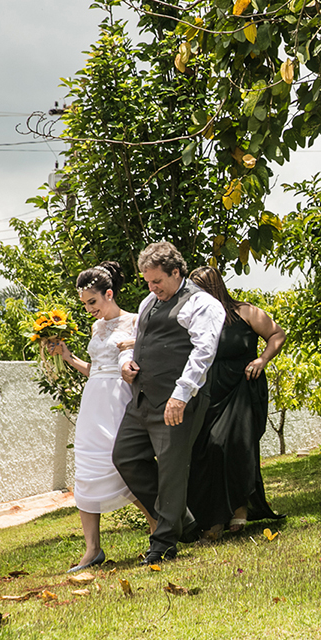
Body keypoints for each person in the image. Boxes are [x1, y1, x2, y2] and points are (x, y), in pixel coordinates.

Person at [114, 242, 225, 565]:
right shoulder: (150, 300)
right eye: (148, 281)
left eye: (157, 281)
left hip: (178, 401)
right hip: (142, 399)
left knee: (172, 472)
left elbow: (204, 351)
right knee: (125, 457)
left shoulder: (203, 304)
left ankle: (163, 543)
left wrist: (181, 394)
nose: (152, 288)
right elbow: (136, 340)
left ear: (176, 272)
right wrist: (126, 362)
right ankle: (184, 520)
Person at [50, 261, 157, 572]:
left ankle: (158, 528)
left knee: (123, 464)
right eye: (84, 304)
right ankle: (92, 549)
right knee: (86, 468)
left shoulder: (135, 321)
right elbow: (95, 370)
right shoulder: (96, 328)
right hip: (93, 400)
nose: (88, 310)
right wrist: (68, 357)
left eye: (92, 302)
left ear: (109, 294)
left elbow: (148, 356)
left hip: (119, 399)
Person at [187, 266, 287, 537]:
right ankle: (215, 518)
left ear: (212, 289)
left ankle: (240, 509)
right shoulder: (195, 320)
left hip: (243, 386)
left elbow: (277, 335)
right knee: (207, 450)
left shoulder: (246, 313)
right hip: (210, 392)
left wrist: (262, 359)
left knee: (232, 446)